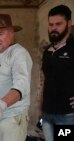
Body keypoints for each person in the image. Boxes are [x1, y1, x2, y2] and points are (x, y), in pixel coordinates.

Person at [0, 14, 33, 141]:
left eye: (0, 33)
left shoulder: (18, 53)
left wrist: (1, 105)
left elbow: (22, 85)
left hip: (10, 118)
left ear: (12, 33)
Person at [40, 5, 74, 141]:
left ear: (69, 23)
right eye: (51, 24)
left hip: (67, 116)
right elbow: (44, 80)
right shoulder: (47, 51)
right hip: (47, 115)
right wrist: (39, 107)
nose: (53, 28)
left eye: (58, 24)